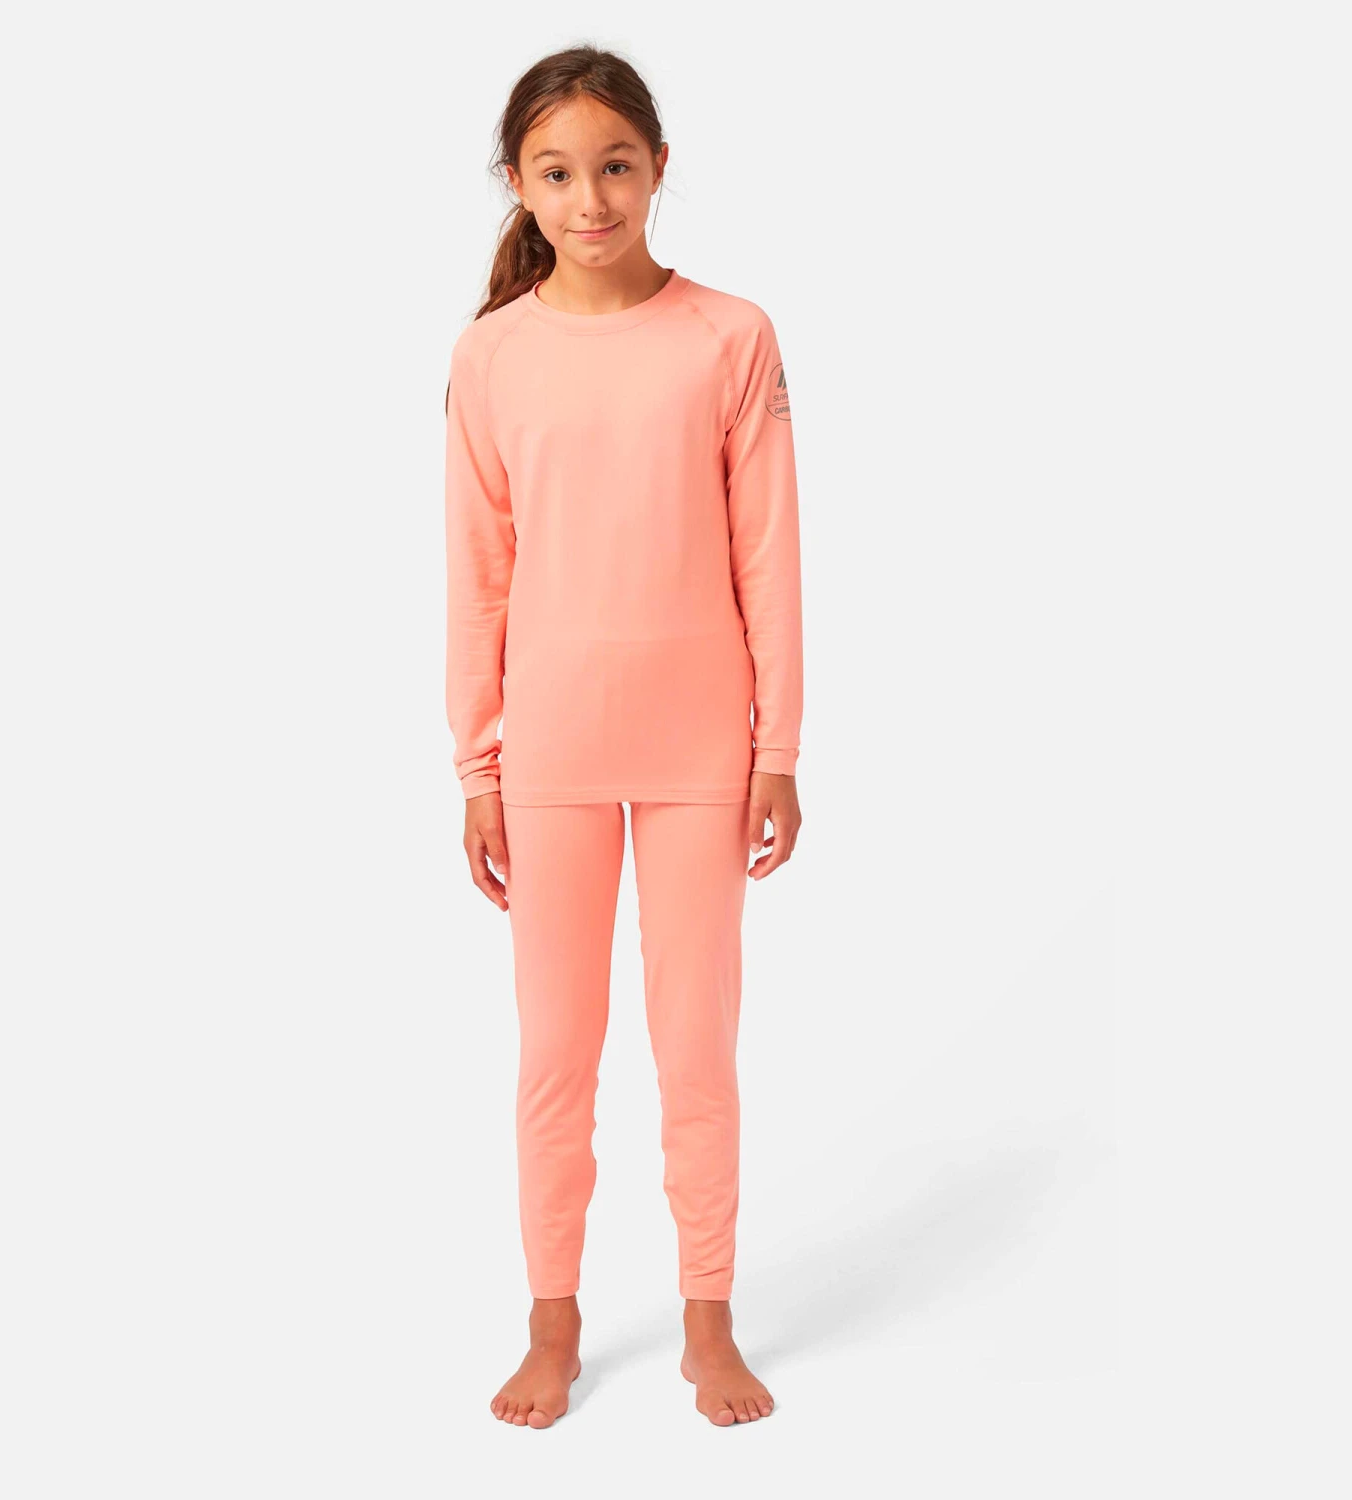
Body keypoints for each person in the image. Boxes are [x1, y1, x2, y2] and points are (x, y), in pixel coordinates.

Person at [443, 45, 803, 1429]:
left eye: (614, 166)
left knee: (695, 1049)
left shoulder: (731, 336)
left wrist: (778, 748)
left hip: (703, 748)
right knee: (556, 1056)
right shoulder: (492, 355)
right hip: (549, 756)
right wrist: (478, 766)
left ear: (657, 168)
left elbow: (767, 552)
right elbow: (478, 573)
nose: (589, 198)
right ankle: (554, 1321)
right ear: (519, 185)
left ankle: (710, 1322)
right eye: (556, 172)